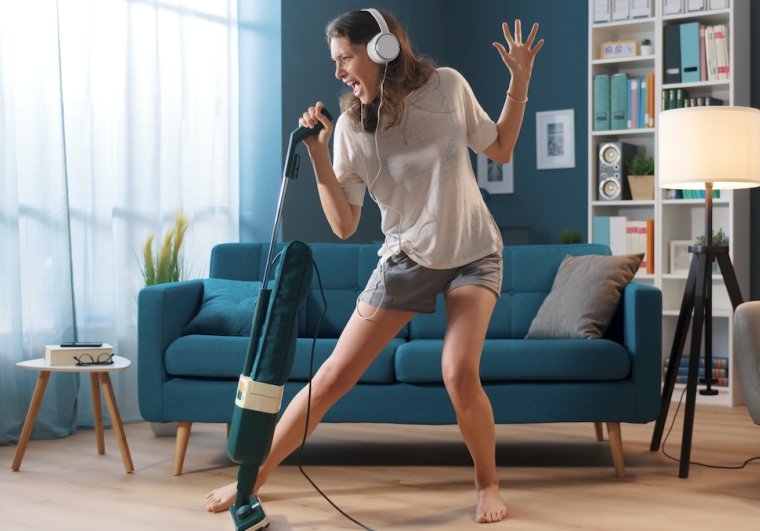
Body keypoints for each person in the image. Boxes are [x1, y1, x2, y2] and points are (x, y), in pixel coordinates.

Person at [206, 8, 542, 524]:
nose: (339, 71)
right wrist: (320, 156)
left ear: (383, 49)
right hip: (407, 259)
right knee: (333, 376)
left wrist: (519, 82)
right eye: (335, 61)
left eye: (346, 57)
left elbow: (500, 145)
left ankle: (487, 484)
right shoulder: (350, 128)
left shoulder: (447, 87)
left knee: (458, 372)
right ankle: (252, 479)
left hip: (474, 251)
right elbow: (343, 224)